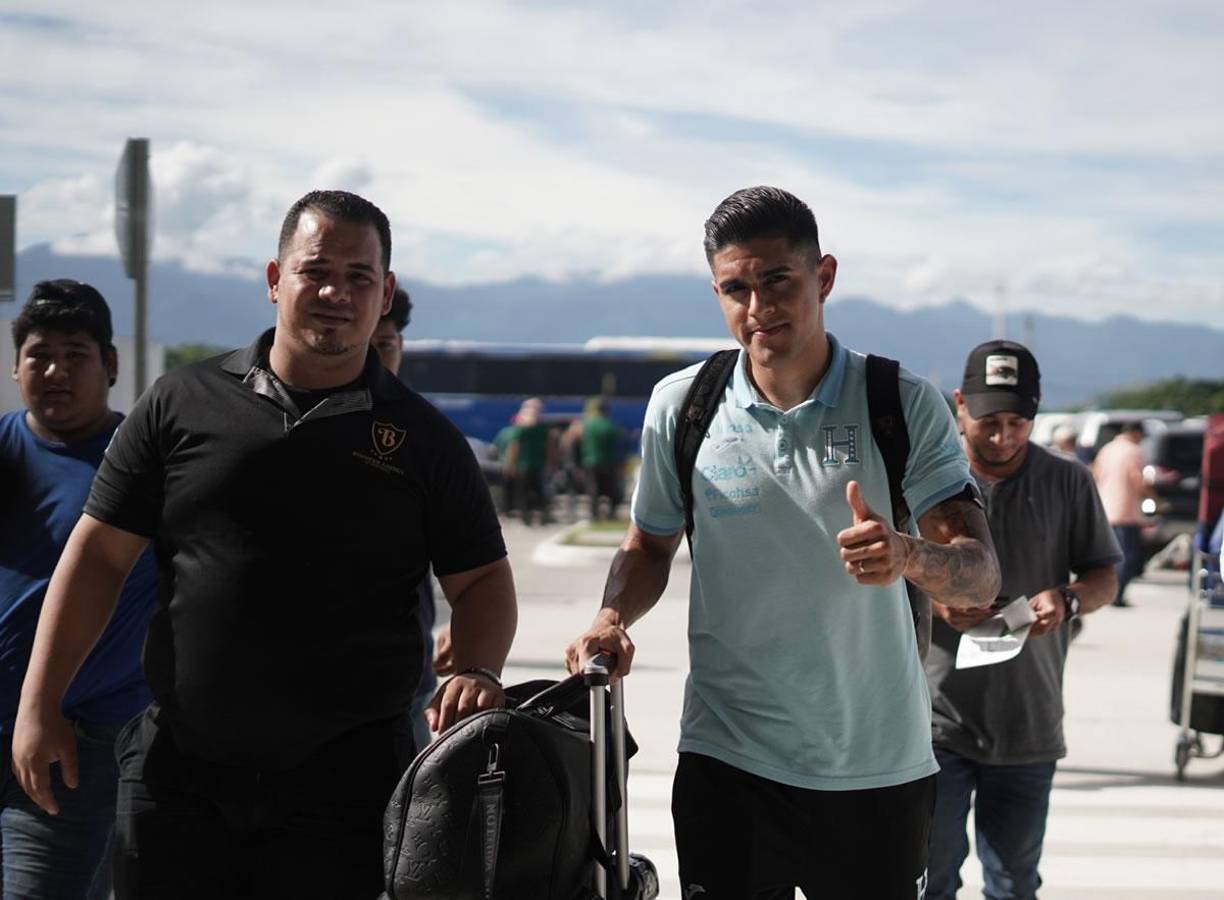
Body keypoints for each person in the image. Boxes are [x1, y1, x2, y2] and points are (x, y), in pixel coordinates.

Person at [11, 190, 517, 899]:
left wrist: (481, 668)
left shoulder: (422, 438)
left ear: (386, 292)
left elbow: (483, 581)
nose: (337, 293)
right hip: (177, 773)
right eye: (316, 271)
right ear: (276, 278)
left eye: (359, 276)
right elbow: (97, 558)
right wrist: (41, 702)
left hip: (346, 784)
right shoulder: (180, 402)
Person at [565, 186, 1001, 899]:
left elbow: (981, 579)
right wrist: (611, 617)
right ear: (716, 293)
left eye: (778, 281)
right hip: (728, 761)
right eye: (736, 288)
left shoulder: (898, 402)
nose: (758, 307)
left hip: (875, 768)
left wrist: (909, 556)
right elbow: (648, 546)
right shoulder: (686, 404)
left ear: (823, 277)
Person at [925, 340, 1122, 900]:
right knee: (928, 880)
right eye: (989, 421)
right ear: (959, 404)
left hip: (1029, 725)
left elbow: (1104, 575)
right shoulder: (923, 478)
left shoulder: (1068, 481)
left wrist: (1069, 599)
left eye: (1019, 421)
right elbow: (879, 576)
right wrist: (935, 596)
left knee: (1014, 884)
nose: (1003, 436)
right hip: (934, 722)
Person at [1, 280, 158, 899]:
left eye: (76, 354)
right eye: (39, 354)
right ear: (16, 368)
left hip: (77, 744)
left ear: (110, 365)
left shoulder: (145, 464)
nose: (56, 370)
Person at [370, 286, 442, 753]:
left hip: (403, 685)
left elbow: (472, 560)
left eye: (385, 346)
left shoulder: (427, 437)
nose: (375, 360)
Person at [1093, 421, 1150, 606]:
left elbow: (1095, 475)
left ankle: (1107, 594)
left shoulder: (1106, 449)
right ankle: (1117, 596)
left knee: (1108, 558)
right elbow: (1137, 480)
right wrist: (1154, 498)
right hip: (1126, 512)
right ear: (1135, 433)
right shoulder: (1133, 451)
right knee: (1126, 557)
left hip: (1105, 511)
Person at [579, 397, 624, 521]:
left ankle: (594, 514)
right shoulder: (611, 425)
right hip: (609, 461)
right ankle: (611, 513)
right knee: (611, 489)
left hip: (590, 461)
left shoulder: (587, 425)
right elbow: (620, 442)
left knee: (593, 489)